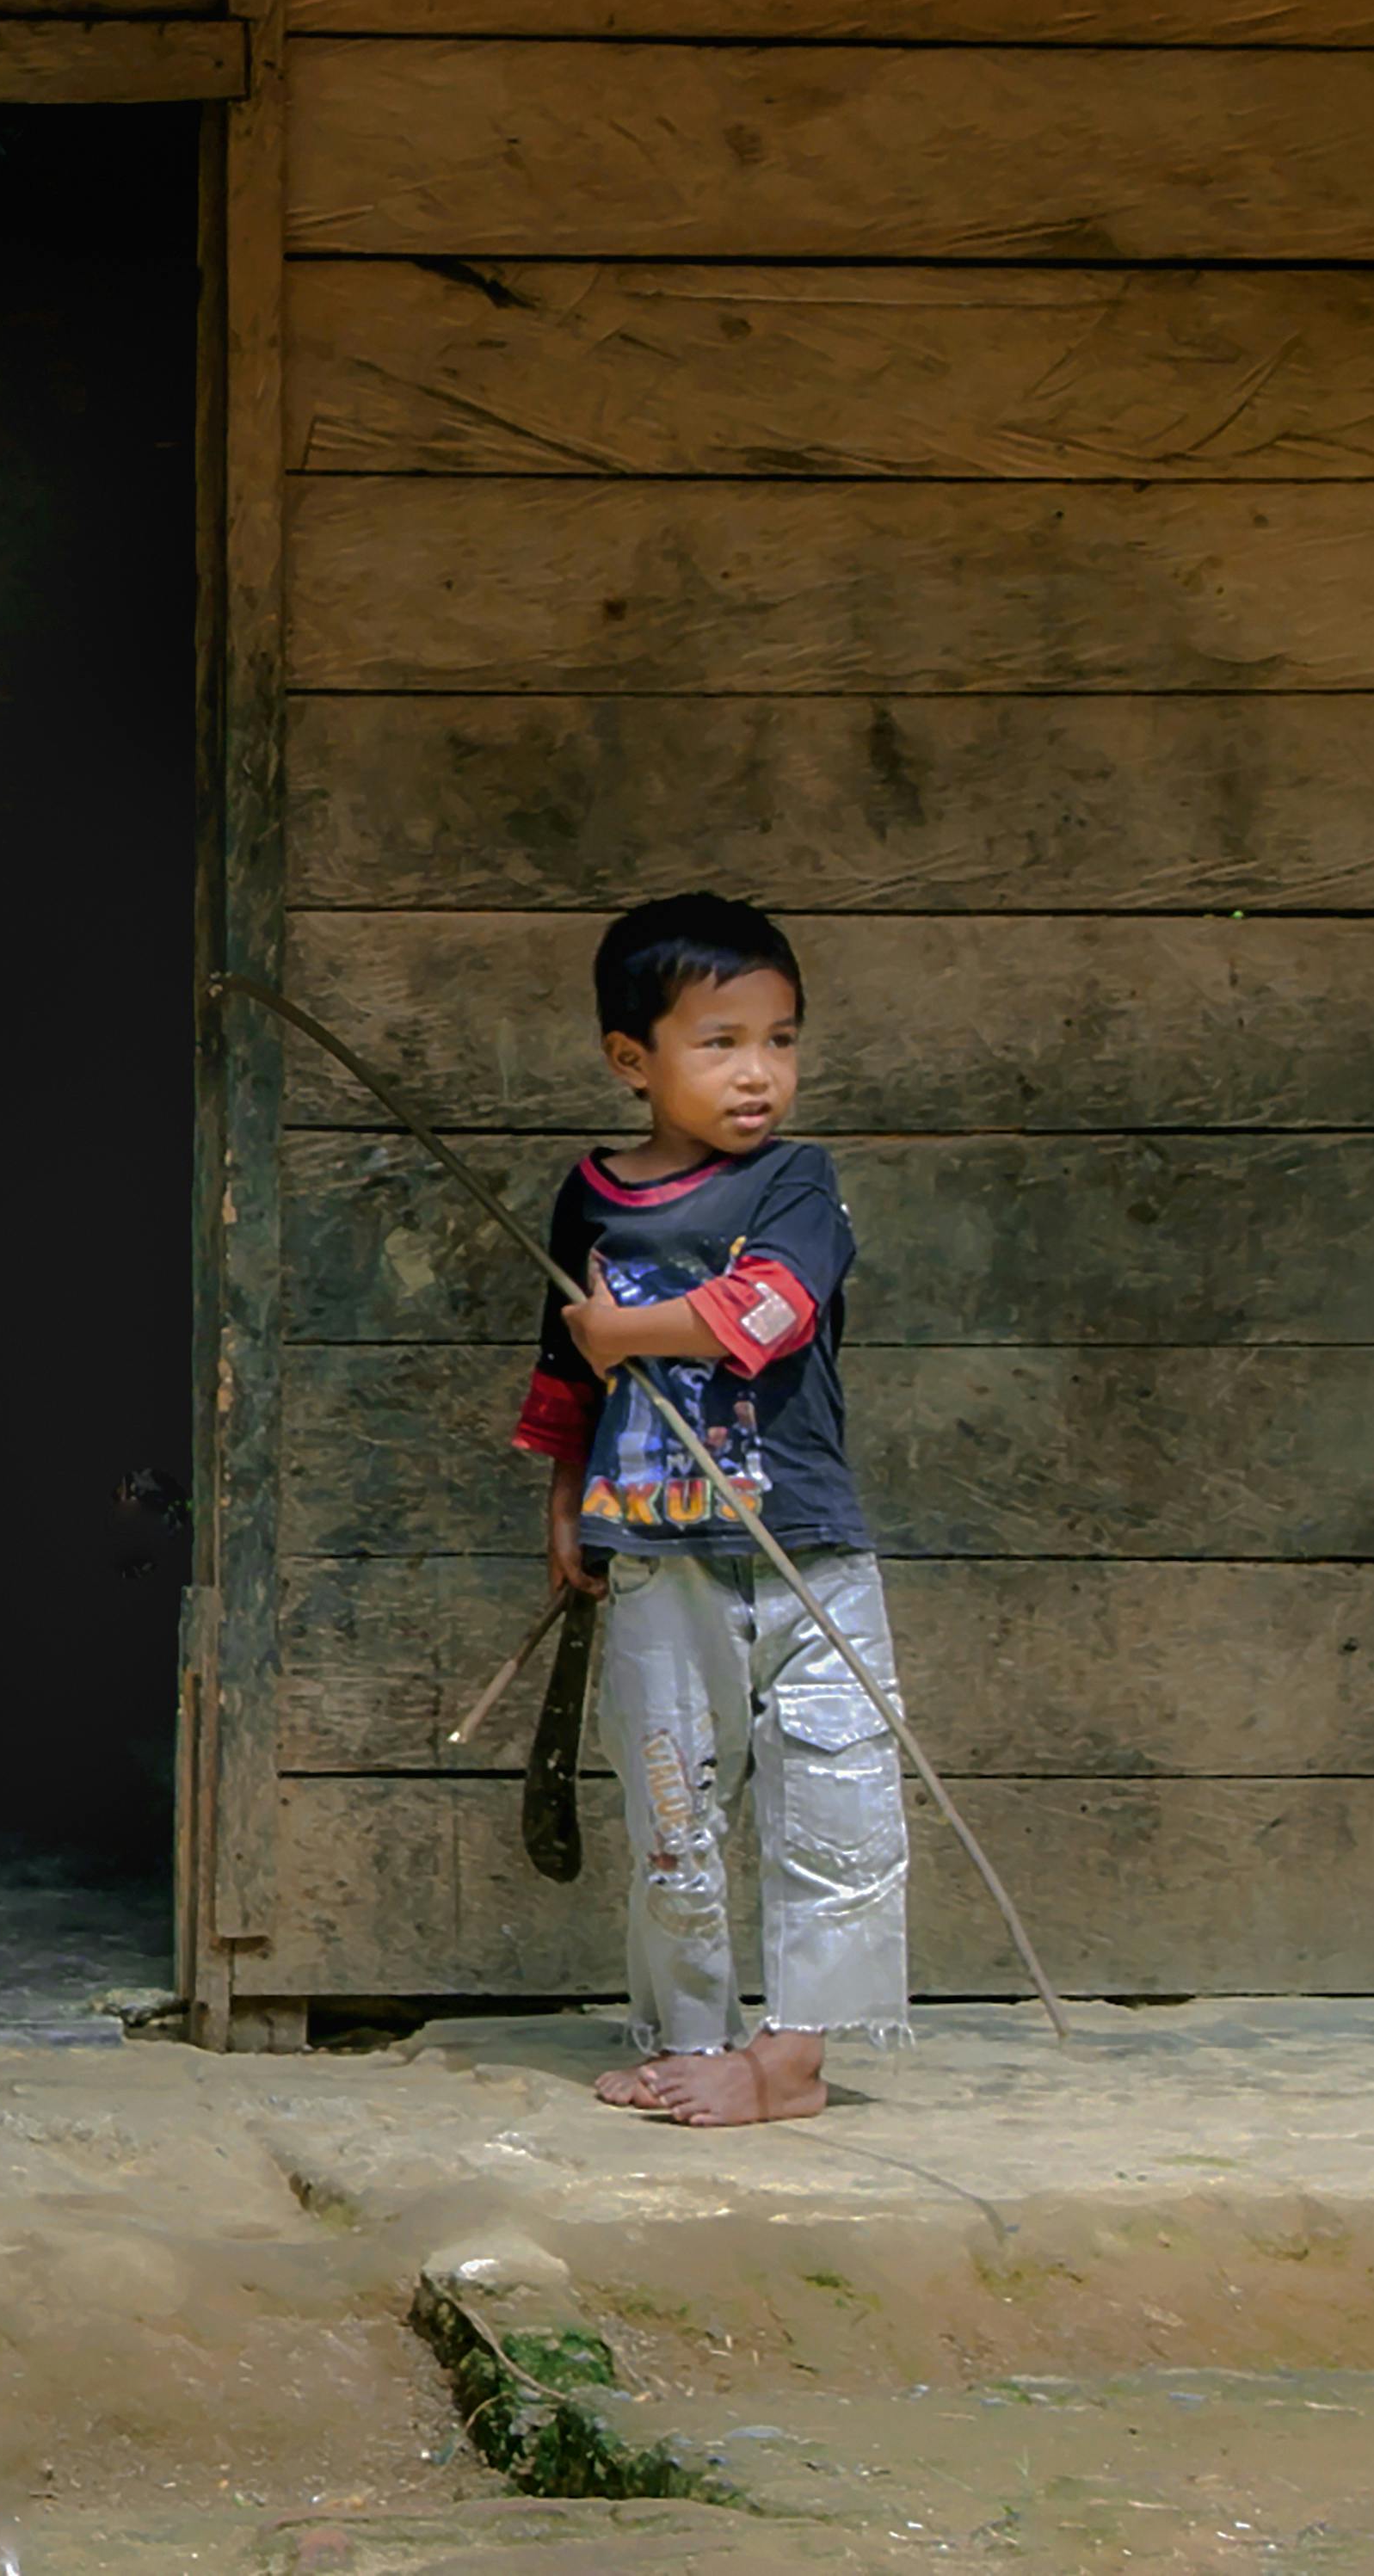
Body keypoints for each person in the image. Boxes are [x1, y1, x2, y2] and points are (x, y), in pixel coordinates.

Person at [514, 892, 908, 2129]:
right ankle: (692, 2032)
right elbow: (563, 1379)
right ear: (633, 1059)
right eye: (722, 1041)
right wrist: (567, 1505)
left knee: (835, 1788)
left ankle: (791, 2059)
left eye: (781, 1040)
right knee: (672, 1802)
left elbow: (771, 1311)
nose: (760, 1074)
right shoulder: (588, 1200)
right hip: (652, 1551)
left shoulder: (796, 1181)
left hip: (803, 1549)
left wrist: (625, 1327)